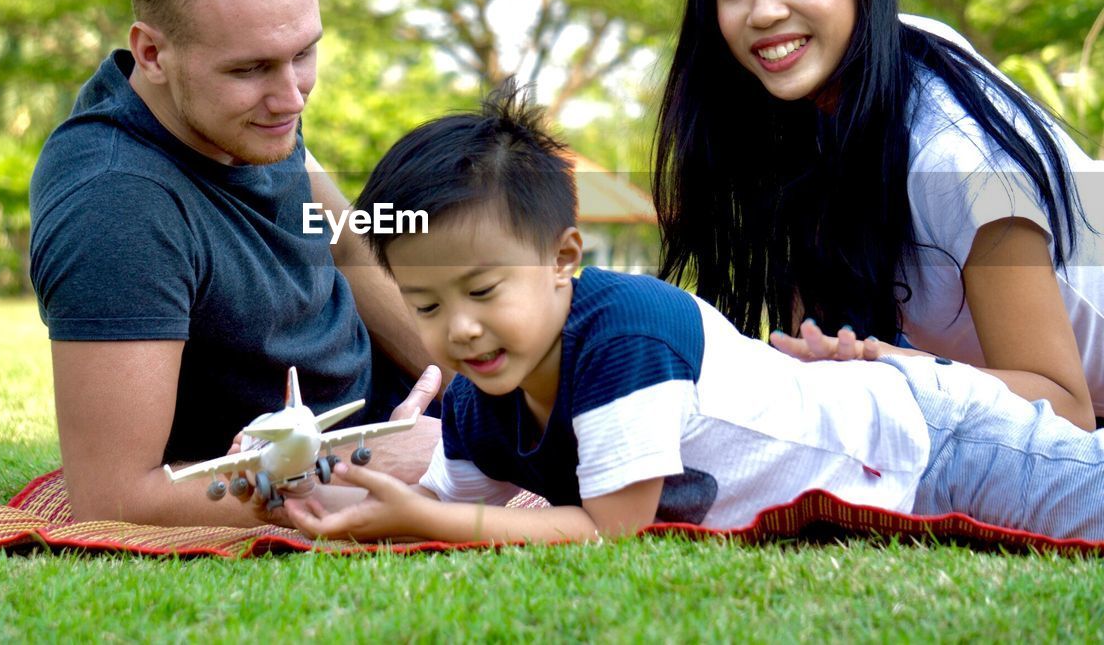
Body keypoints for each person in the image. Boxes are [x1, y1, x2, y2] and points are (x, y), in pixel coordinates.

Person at [282, 88, 1104, 544]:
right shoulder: (477, 401)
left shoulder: (625, 337)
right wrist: (333, 493)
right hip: (893, 481)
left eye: (484, 290)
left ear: (565, 259)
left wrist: (428, 517)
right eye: (425, 305)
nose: (459, 328)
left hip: (930, 441)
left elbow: (610, 525)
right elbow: (443, 491)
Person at [28, 0, 440, 527]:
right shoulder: (116, 204)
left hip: (413, 416)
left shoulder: (251, 108)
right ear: (153, 54)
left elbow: (345, 242)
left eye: (305, 53)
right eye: (250, 69)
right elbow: (114, 501)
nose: (293, 96)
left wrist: (468, 380)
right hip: (332, 463)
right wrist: (396, 472)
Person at [651, 0, 1104, 431]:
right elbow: (818, 352)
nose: (761, 11)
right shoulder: (816, 116)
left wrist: (890, 366)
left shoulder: (955, 155)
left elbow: (1064, 408)